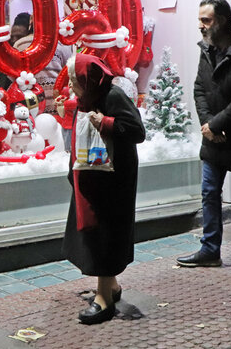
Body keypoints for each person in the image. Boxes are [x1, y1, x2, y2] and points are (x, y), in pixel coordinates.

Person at [175, 0, 231, 267]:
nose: (200, 26)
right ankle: (210, 249)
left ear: (222, 21)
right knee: (209, 193)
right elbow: (199, 88)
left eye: (206, 20)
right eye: (200, 20)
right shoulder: (207, 49)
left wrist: (216, 124)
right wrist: (208, 125)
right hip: (213, 138)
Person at [61, 53, 145, 325]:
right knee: (94, 234)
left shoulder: (113, 97)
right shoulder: (89, 98)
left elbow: (136, 131)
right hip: (90, 178)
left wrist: (106, 123)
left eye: (75, 79)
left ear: (88, 79)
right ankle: (111, 286)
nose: (72, 84)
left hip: (112, 182)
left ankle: (104, 299)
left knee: (105, 235)